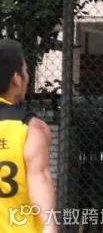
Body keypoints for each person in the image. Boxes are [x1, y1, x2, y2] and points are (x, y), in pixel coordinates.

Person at [0, 39, 57, 233]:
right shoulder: (31, 128)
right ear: (16, 79)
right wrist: (49, 225)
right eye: (25, 70)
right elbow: (38, 177)